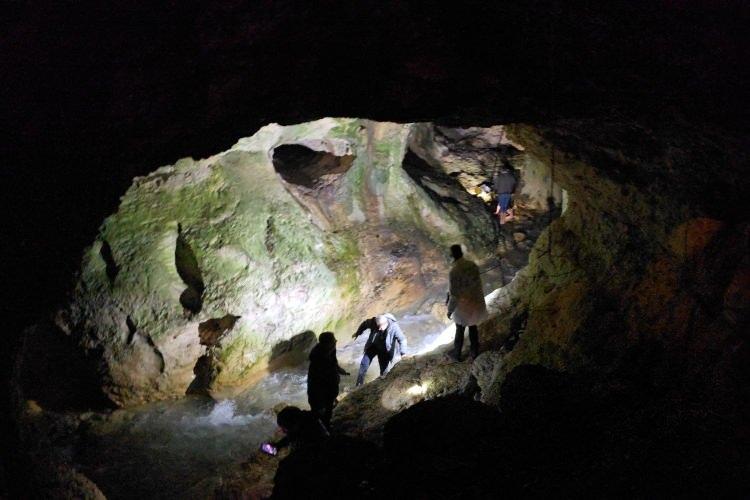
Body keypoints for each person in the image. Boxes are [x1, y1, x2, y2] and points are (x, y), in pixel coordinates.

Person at [446, 244, 488, 361]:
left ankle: (456, 354)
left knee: (460, 329)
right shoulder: (472, 265)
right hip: (475, 301)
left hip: (463, 305)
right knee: (473, 326)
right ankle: (474, 352)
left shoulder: (454, 271)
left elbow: (454, 295)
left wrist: (449, 310)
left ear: (452, 256)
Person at [307, 331, 349, 430]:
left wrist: (340, 370)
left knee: (329, 407)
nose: (335, 342)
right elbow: (317, 382)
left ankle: (326, 422)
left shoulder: (331, 349)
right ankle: (321, 428)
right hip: (319, 390)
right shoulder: (317, 359)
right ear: (326, 344)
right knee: (318, 411)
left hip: (330, 387)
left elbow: (334, 362)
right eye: (333, 341)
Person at [352, 313, 408, 386]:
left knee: (384, 371)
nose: (379, 328)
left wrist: (403, 354)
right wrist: (358, 333)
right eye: (377, 326)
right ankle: (359, 385)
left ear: (386, 323)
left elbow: (402, 340)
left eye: (380, 326)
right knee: (363, 364)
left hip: (385, 350)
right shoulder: (373, 322)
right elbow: (365, 324)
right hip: (372, 346)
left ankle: (383, 386)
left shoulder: (394, 327)